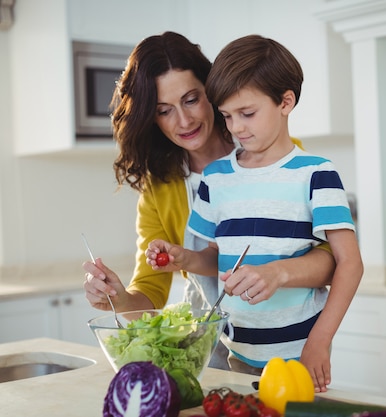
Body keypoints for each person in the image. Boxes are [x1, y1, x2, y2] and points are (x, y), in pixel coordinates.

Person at [81, 32, 336, 368]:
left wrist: (278, 272)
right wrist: (119, 298)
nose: (183, 121)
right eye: (164, 110)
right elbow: (151, 289)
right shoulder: (160, 187)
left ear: (212, 90)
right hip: (208, 333)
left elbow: (334, 260)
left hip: (285, 339)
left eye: (190, 99)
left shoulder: (277, 155)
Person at [146, 34, 363, 392]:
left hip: (298, 352)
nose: (235, 128)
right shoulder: (216, 178)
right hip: (237, 352)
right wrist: (184, 258)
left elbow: (350, 263)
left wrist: (319, 342)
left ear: (285, 101)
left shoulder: (316, 173)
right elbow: (214, 259)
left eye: (247, 114)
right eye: (227, 116)